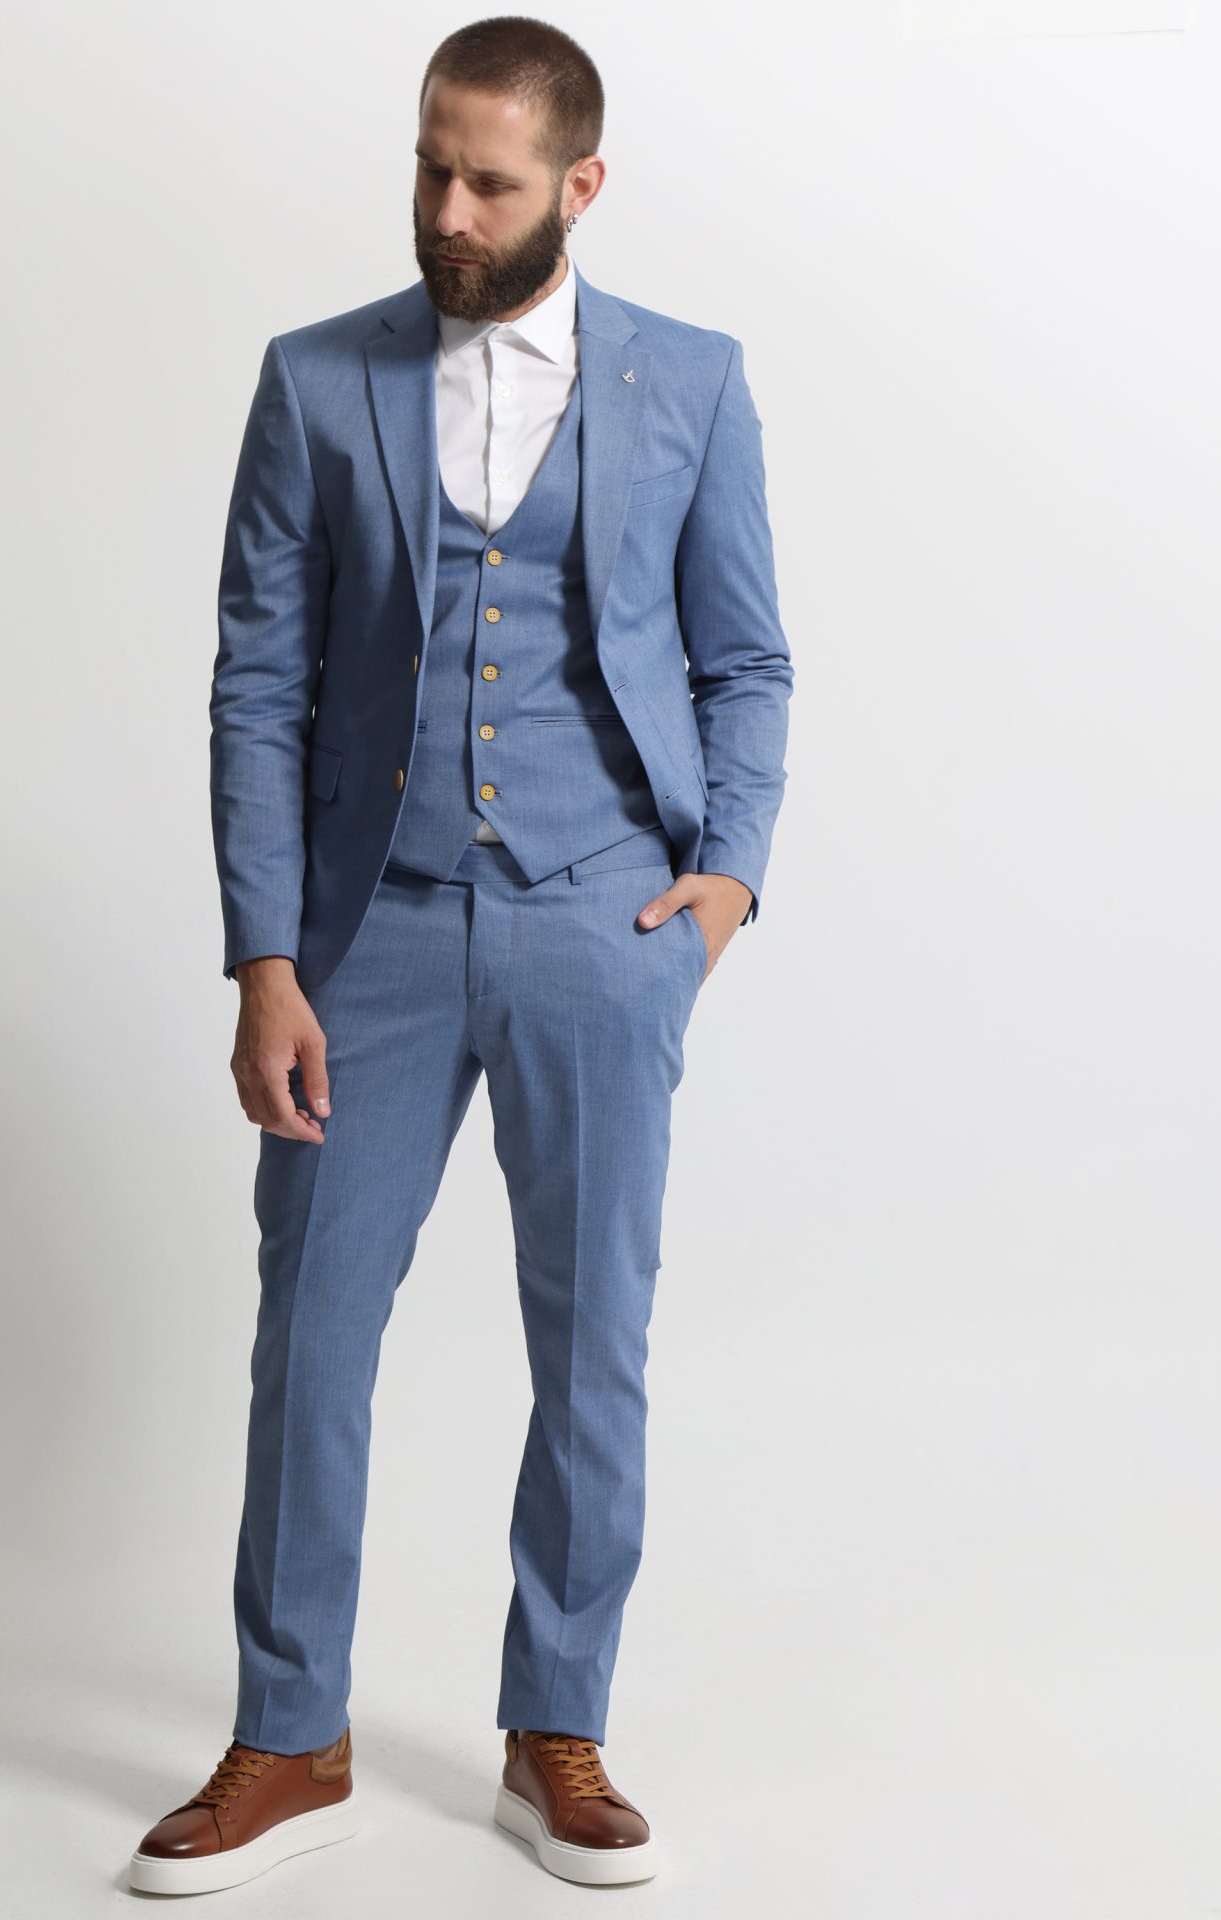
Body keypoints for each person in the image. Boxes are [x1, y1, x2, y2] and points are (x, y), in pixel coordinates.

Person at [128, 13, 793, 1896]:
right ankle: (290, 1734)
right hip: (373, 935)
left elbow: (747, 658)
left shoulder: (693, 380)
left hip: (605, 917)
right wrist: (267, 958)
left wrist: (726, 883)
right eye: (429, 167)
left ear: (581, 186)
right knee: (311, 1338)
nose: (445, 211)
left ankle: (556, 1726)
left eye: (489, 182)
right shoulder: (315, 376)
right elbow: (258, 682)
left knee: (593, 1341)